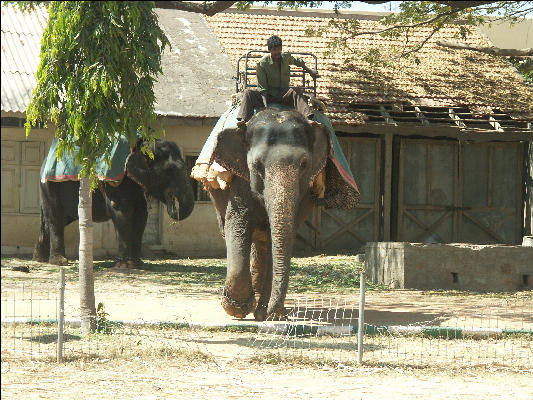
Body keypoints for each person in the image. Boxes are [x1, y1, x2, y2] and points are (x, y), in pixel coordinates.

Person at [236, 35, 320, 127]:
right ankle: (243, 120)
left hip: (283, 94)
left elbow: (297, 61)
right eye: (275, 53)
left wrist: (310, 71)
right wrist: (266, 109)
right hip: (268, 95)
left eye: (279, 52)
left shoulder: (286, 57)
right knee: (248, 92)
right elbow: (262, 88)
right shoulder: (262, 63)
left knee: (296, 90)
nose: (277, 55)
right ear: (270, 50)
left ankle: (308, 118)